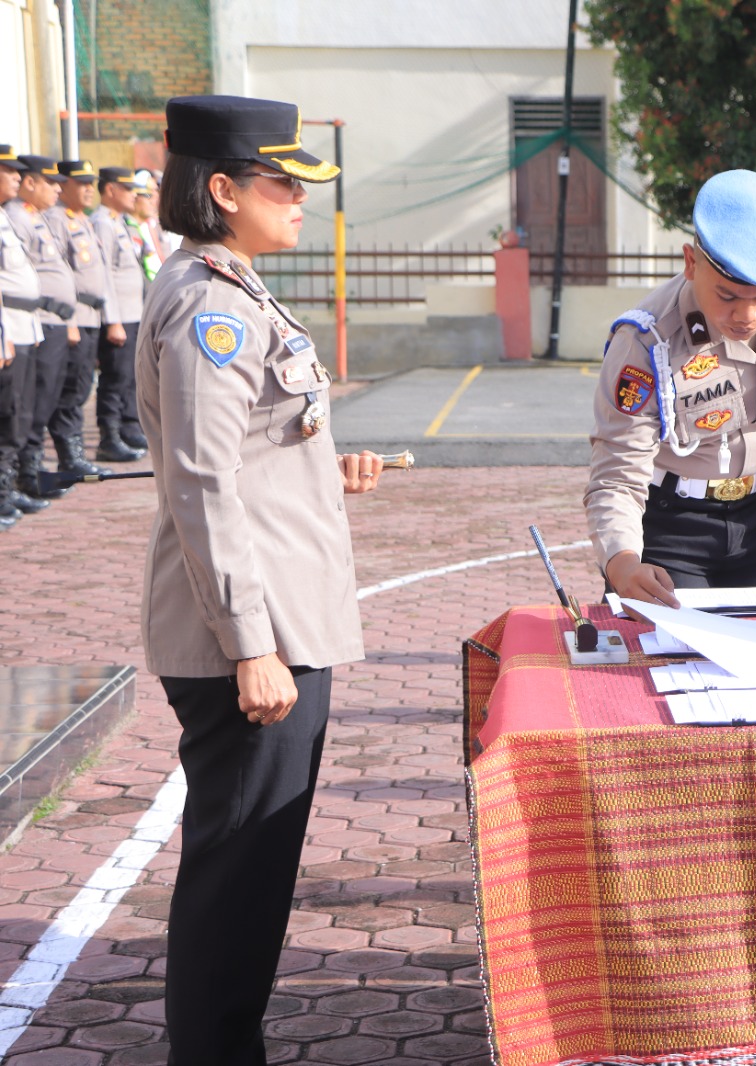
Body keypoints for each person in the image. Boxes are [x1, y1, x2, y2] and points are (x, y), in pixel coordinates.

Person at [136, 94, 384, 1065]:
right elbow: (200, 485)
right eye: (282, 183)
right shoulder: (211, 311)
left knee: (250, 872)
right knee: (235, 878)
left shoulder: (232, 291)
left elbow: (245, 455)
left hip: (276, 620)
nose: (298, 199)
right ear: (223, 189)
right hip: (254, 636)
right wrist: (252, 644)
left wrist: (327, 467)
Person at [585, 169, 756, 602]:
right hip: (674, 527)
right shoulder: (647, 343)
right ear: (691, 263)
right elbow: (616, 470)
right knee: (677, 656)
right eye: (727, 296)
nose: (746, 316)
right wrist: (623, 562)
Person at [4, 155, 80, 499]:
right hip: (18, 324)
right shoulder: (16, 217)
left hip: (32, 323)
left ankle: (23, 475)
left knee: (34, 401)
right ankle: (17, 480)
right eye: (9, 173)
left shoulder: (20, 217)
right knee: (18, 407)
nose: (16, 180)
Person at [44, 159, 117, 477]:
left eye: (91, 183)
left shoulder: (81, 219)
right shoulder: (55, 220)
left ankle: (72, 453)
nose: (89, 189)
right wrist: (70, 320)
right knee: (69, 389)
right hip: (72, 316)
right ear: (65, 186)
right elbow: (59, 275)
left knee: (82, 386)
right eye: (81, 183)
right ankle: (67, 455)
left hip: (91, 315)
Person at [0, 145, 49, 524]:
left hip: (22, 326)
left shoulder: (5, 218)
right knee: (9, 413)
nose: (17, 177)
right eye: (9, 171)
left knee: (22, 412)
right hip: (7, 330)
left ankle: (11, 487)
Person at [91, 166, 150, 460]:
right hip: (120, 316)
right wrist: (112, 320)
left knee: (130, 374)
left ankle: (128, 425)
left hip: (133, 312)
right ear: (111, 190)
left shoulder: (121, 222)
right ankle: (109, 436)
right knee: (115, 376)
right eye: (128, 189)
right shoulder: (102, 222)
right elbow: (105, 276)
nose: (134, 195)